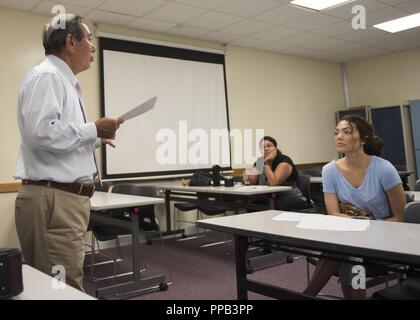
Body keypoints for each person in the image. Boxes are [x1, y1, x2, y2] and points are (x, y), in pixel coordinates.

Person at [13, 14, 123, 291]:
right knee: (61, 288)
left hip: (60, 200)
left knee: (59, 285)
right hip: (55, 201)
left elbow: (56, 137)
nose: (93, 47)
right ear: (70, 42)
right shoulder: (49, 76)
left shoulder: (62, 80)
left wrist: (95, 138)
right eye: (89, 39)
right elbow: (40, 133)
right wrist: (93, 130)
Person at [303, 115, 406, 299]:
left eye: (346, 132)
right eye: (336, 133)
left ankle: (307, 295)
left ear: (364, 139)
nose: (339, 137)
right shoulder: (329, 170)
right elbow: (333, 213)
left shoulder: (384, 169)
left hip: (385, 239)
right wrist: (357, 228)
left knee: (341, 249)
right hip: (350, 240)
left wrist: (362, 228)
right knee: (346, 253)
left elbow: (399, 218)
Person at [244, 136, 310, 211]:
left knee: (276, 205)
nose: (266, 149)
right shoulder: (259, 161)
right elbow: (253, 182)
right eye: (262, 147)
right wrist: (248, 176)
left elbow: (274, 183)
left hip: (290, 196)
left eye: (269, 145)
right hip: (269, 197)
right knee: (252, 205)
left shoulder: (284, 160)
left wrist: (266, 163)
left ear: (275, 147)